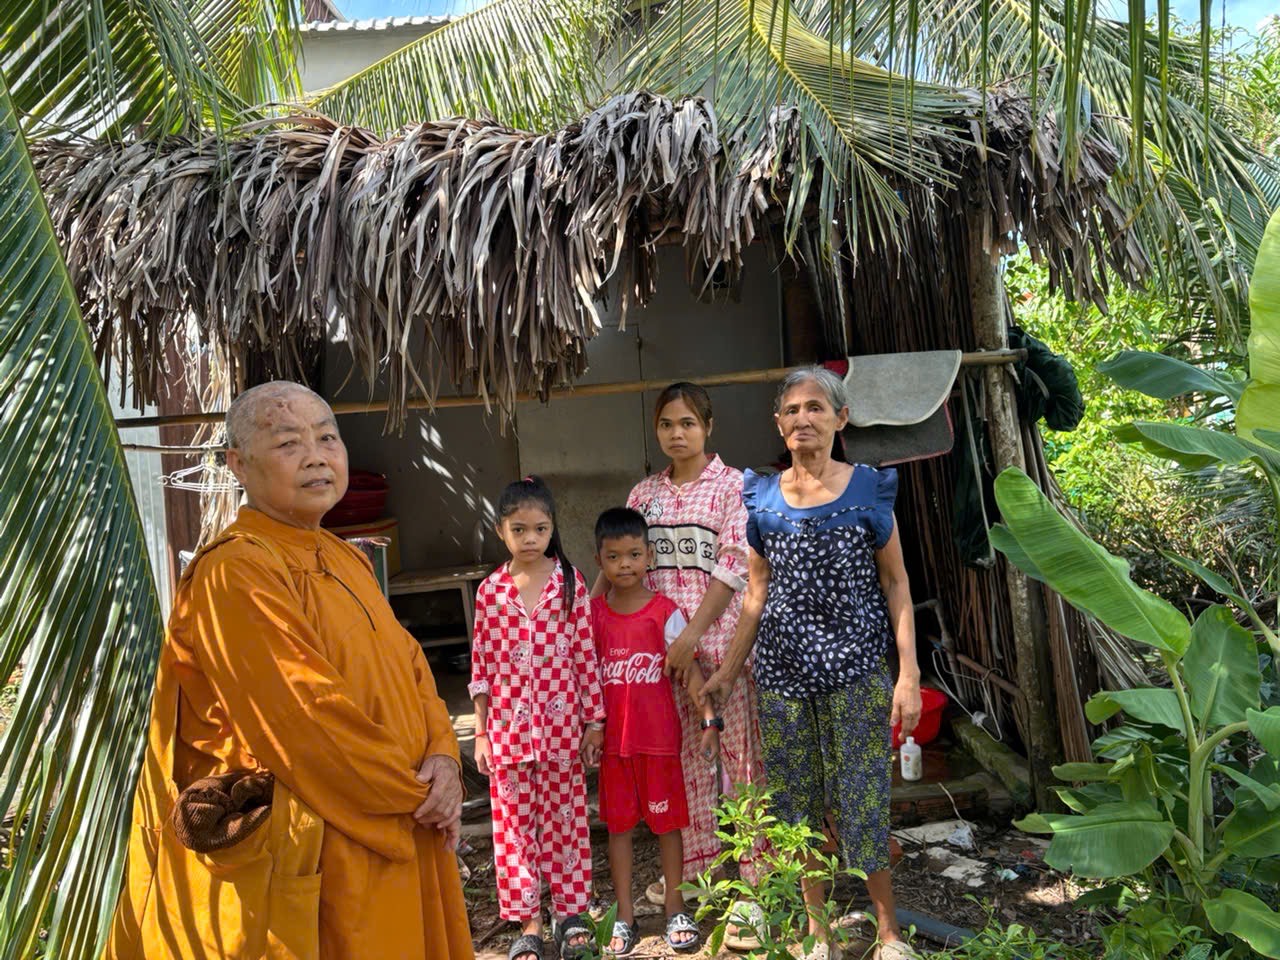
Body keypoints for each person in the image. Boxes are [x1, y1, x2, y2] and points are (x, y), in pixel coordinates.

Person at [104, 380, 473, 960]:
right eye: (287, 443)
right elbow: (304, 719)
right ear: (238, 464)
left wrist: (445, 760)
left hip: (402, 814)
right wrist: (415, 797)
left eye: (328, 438)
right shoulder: (236, 571)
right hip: (339, 833)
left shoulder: (344, 557)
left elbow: (411, 667)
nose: (316, 457)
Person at [701, 366, 923, 960]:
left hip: (856, 673)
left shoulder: (869, 489)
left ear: (840, 419)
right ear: (779, 423)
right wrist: (727, 671)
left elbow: (897, 584)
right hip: (783, 678)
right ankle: (817, 933)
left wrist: (908, 674)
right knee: (795, 805)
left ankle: (888, 935)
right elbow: (755, 593)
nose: (803, 418)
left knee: (863, 799)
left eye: (816, 408)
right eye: (792, 409)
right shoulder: (762, 497)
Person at [615, 382, 766, 933]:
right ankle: (700, 876)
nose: (676, 434)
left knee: (739, 762)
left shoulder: (733, 487)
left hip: (723, 652)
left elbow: (734, 566)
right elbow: (628, 567)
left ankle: (753, 883)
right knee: (685, 766)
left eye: (687, 423)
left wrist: (693, 636)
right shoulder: (643, 496)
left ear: (708, 426)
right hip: (663, 661)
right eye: (666, 424)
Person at [469, 477, 605, 960]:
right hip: (507, 735)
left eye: (540, 529)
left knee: (566, 824)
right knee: (514, 831)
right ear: (501, 531)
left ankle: (571, 916)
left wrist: (595, 722)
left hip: (562, 733)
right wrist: (481, 733)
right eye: (519, 529)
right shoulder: (490, 592)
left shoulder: (570, 583)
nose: (530, 539)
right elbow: (481, 668)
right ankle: (528, 922)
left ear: (552, 529)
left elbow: (586, 657)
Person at [591, 508, 720, 956]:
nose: (624, 564)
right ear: (599, 561)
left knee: (668, 827)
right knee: (619, 829)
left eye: (633, 554)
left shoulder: (665, 613)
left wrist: (708, 719)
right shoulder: (591, 617)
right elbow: (582, 678)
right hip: (614, 749)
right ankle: (624, 915)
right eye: (613, 557)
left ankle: (675, 908)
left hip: (660, 744)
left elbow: (690, 673)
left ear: (649, 556)